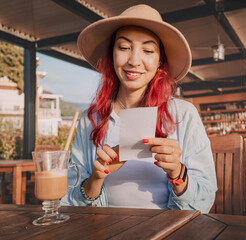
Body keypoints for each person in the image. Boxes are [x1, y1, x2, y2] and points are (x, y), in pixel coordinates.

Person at [61, 4, 217, 213]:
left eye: (148, 50)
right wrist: (96, 178)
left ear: (160, 59)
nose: (134, 61)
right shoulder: (90, 120)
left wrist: (178, 173)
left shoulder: (184, 115)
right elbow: (68, 200)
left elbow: (206, 200)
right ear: (112, 54)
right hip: (102, 230)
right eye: (124, 48)